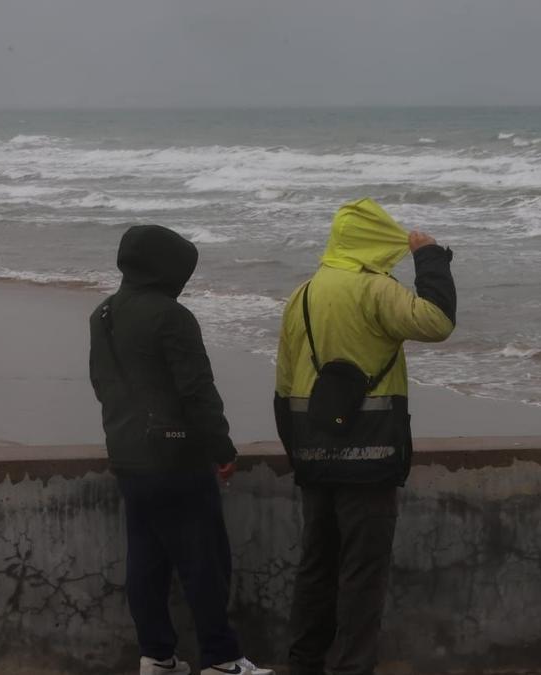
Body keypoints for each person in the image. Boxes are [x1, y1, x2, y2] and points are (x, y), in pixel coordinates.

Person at [273, 199, 457, 675]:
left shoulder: (304, 294)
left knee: (316, 564)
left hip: (313, 455)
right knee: (362, 572)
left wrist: (299, 456)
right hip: (370, 457)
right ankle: (351, 668)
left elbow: (284, 384)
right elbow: (437, 322)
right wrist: (430, 257)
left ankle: (304, 662)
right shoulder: (376, 290)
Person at [89, 224, 272, 675]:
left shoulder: (104, 313)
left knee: (146, 563)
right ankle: (222, 660)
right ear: (166, 270)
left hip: (129, 457)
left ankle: (157, 658)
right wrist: (222, 447)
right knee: (204, 562)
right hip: (176, 459)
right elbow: (197, 392)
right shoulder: (172, 316)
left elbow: (102, 383)